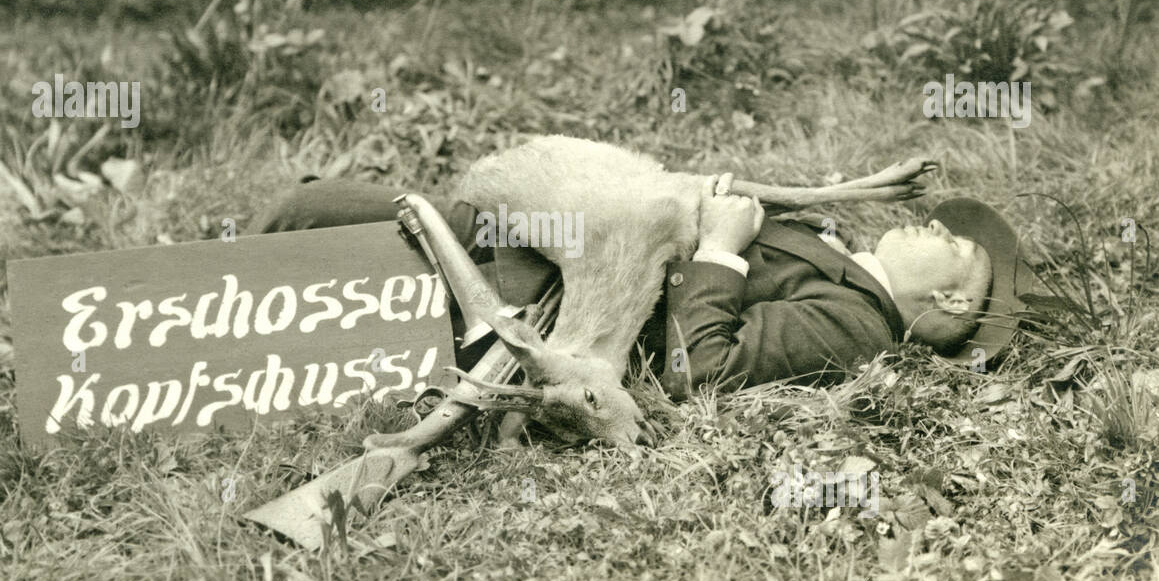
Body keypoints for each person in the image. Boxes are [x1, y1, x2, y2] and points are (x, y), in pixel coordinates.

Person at [254, 171, 1028, 399]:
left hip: (541, 291)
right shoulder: (843, 262)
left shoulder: (858, 325)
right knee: (315, 212)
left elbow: (706, 368)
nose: (933, 227)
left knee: (309, 217)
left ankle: (190, 328)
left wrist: (723, 247)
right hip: (552, 240)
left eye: (951, 244)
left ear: (953, 303)